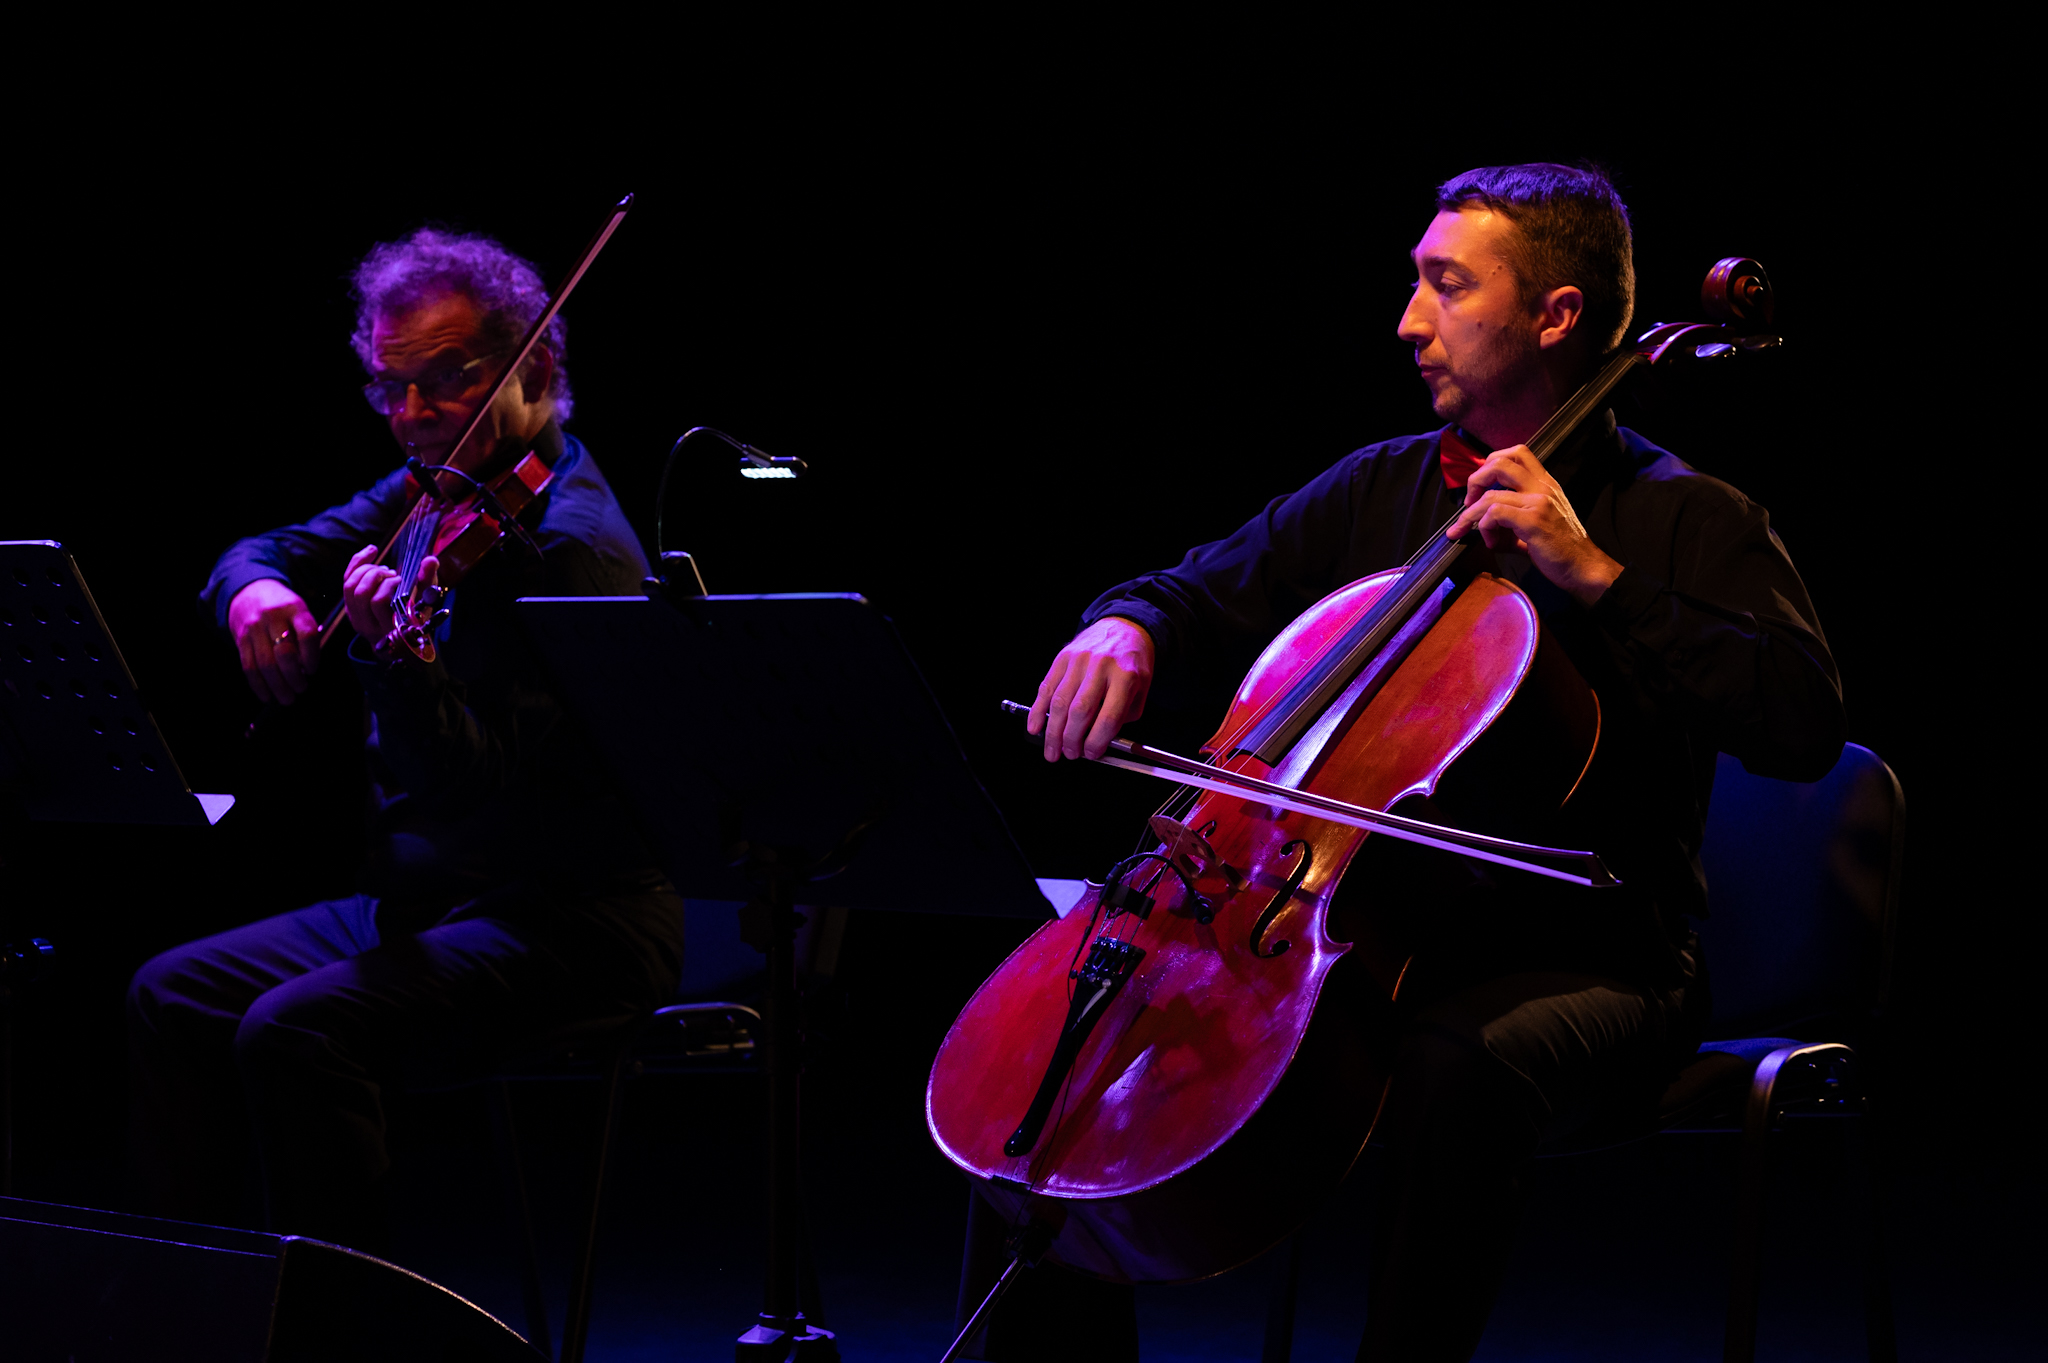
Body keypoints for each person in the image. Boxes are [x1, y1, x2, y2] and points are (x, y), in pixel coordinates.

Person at [1017, 164, 1845, 1360]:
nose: (1409, 320)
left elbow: (1799, 721)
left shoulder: (1684, 516)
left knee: (1453, 1064)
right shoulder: (1382, 487)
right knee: (1080, 1027)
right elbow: (1194, 590)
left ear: (1554, 316)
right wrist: (1124, 624)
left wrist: (1594, 577)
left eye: (1444, 286)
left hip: (1596, 960)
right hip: (1364, 933)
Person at [127, 228, 682, 1251]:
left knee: (296, 1029)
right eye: (389, 389)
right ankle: (199, 1300)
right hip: (440, 900)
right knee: (173, 992)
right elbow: (272, 548)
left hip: (573, 919)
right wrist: (254, 591)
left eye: (446, 382)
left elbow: (474, 788)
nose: (412, 419)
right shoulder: (447, 482)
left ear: (537, 368)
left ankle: (338, 1320)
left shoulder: (569, 547)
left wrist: (392, 663)